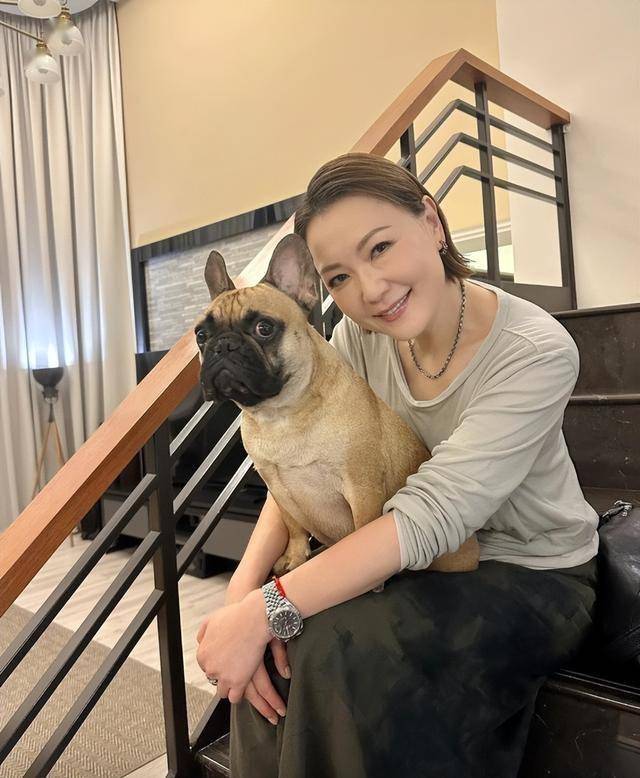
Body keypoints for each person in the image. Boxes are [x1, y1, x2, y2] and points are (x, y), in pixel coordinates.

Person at [200, 151, 599, 778]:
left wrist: (267, 606)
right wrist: (241, 598)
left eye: (380, 248)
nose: (369, 290)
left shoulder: (535, 351)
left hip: (532, 570)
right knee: (279, 642)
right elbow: (301, 466)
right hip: (407, 554)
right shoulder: (359, 339)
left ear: (432, 223)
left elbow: (433, 515)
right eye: (338, 277)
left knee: (331, 646)